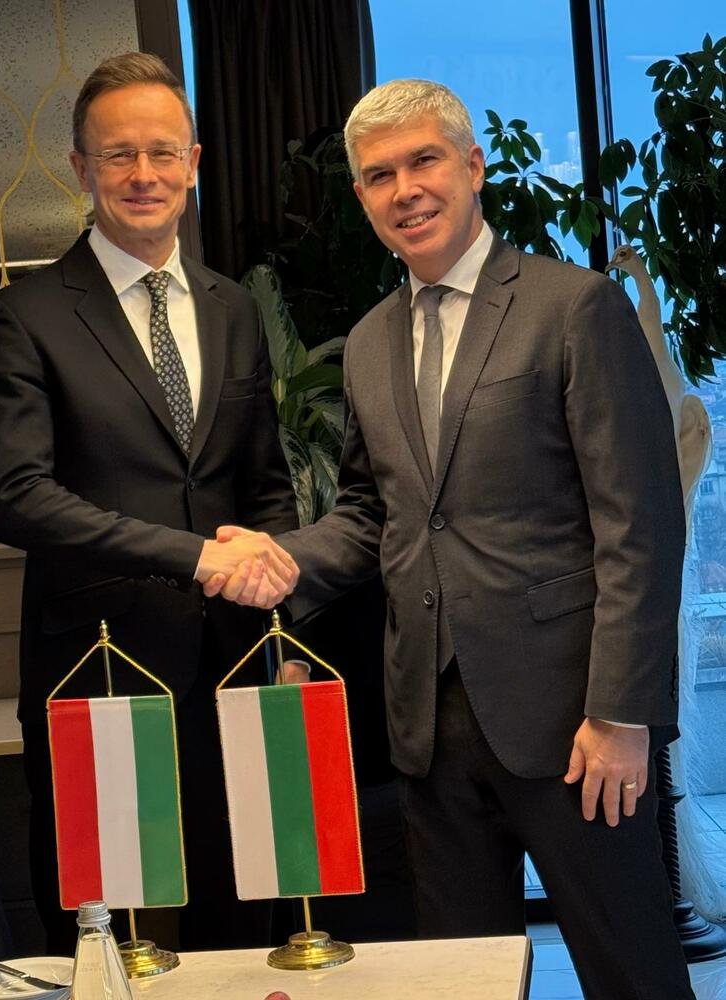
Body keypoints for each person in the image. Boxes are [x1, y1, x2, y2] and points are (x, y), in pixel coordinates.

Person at [208, 80, 694, 998]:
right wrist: (280, 559)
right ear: (363, 196)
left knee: (633, 974)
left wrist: (622, 715)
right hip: (429, 727)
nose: (405, 190)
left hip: (574, 723)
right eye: (378, 175)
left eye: (423, 161)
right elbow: (373, 513)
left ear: (472, 167)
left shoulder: (574, 307)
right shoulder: (368, 343)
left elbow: (640, 522)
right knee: (460, 981)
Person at [0, 52, 299, 953]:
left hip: (236, 666)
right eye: (119, 154)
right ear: (82, 169)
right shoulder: (27, 315)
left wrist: (281, 619)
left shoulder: (233, 309)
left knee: (247, 922)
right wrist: (197, 557)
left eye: (162, 152)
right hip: (99, 670)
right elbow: (17, 497)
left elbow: (264, 484)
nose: (143, 174)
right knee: (105, 932)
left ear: (193, 163)